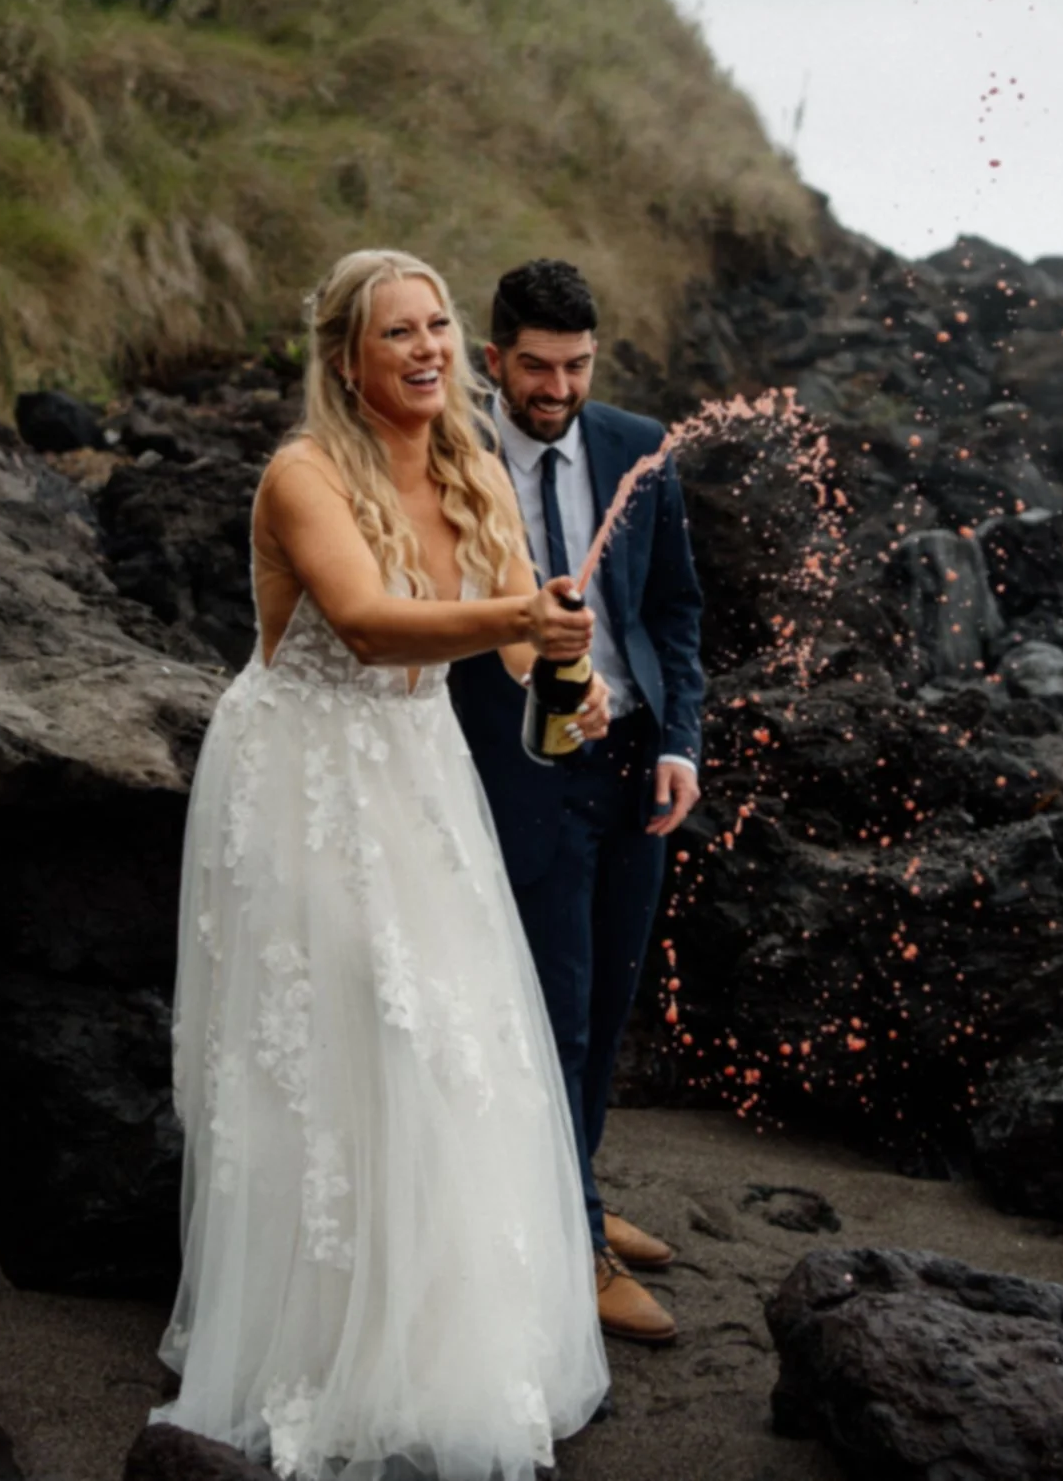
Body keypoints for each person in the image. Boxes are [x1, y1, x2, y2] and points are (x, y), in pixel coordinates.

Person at [153, 249, 612, 1480]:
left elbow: (518, 657)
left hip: (414, 770)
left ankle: (425, 1333)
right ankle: (301, 1334)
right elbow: (361, 622)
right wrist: (516, 620)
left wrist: (573, 667)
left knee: (451, 1036)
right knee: (330, 1040)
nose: (427, 349)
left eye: (439, 326)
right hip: (298, 768)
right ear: (347, 360)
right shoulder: (301, 475)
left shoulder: (471, 468)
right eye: (396, 332)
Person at [446, 258, 705, 1347]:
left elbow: (676, 608)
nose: (557, 388)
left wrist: (683, 742)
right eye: (537, 366)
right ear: (494, 358)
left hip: (635, 759)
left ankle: (576, 1189)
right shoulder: (446, 456)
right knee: (552, 1003)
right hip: (522, 760)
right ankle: (574, 1244)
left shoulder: (635, 443)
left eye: (577, 365)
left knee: (609, 1003)